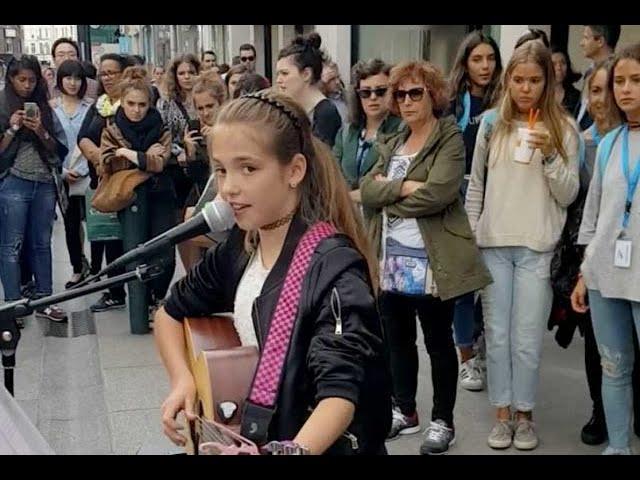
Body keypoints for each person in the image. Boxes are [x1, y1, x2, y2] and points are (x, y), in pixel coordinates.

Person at [154, 89, 392, 455]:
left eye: (248, 168)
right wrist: (182, 380)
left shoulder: (335, 270)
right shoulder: (241, 245)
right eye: (221, 170)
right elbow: (169, 312)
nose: (229, 187)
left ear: (294, 170)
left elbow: (339, 396)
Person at [360, 60, 492, 455]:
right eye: (399, 94)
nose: (406, 101)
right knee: (397, 343)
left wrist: (392, 191)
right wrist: (405, 188)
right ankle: (406, 411)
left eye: (415, 92)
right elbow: (367, 189)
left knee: (437, 344)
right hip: (391, 263)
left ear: (432, 95)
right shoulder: (394, 139)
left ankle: (442, 420)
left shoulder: (448, 137)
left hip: (434, 264)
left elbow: (440, 193)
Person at [465, 41, 580, 451]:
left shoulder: (564, 128)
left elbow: (568, 194)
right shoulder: (491, 124)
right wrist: (474, 236)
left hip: (537, 246)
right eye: (518, 80)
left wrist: (550, 155)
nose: (525, 88)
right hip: (494, 243)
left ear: (547, 82)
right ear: (507, 80)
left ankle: (525, 415)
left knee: (528, 337)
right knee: (496, 335)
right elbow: (475, 184)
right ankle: (501, 413)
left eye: (534, 80)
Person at [549, 59, 640, 447]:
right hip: (605, 274)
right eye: (619, 81)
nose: (625, 89)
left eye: (636, 80)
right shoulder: (610, 143)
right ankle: (617, 446)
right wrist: (585, 273)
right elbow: (593, 216)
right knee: (613, 367)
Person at [447, 31, 503, 392]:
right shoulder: (452, 102)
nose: (485, 66)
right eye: (477, 59)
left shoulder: (507, 100)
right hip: (459, 194)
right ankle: (466, 357)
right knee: (464, 282)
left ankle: (479, 340)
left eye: (490, 59)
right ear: (465, 62)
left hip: (497, 195)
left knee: (491, 280)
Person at [100, 66, 174, 334]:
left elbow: (159, 162)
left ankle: (156, 299)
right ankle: (140, 313)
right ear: (122, 102)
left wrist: (127, 153)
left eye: (142, 104)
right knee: (134, 253)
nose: (137, 110)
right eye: (131, 104)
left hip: (161, 194)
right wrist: (140, 155)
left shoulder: (161, 126)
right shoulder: (112, 127)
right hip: (130, 197)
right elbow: (106, 162)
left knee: (165, 254)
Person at [0, 55, 68, 324]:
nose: (27, 85)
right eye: (21, 80)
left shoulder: (45, 109)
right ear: (11, 79)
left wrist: (40, 129)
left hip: (44, 184)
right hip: (13, 182)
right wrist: (12, 129)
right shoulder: (3, 106)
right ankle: (13, 304)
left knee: (42, 244)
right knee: (11, 245)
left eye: (32, 80)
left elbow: (58, 149)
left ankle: (45, 299)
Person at [77, 53, 128, 312]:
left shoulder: (133, 101)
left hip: (127, 180)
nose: (107, 78)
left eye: (113, 72)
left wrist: (109, 156)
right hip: (103, 181)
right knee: (109, 239)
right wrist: (96, 155)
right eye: (104, 73)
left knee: (131, 237)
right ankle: (115, 290)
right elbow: (83, 136)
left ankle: (147, 294)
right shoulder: (99, 105)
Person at [332, 58, 402, 203]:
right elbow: (332, 176)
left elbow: (392, 186)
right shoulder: (346, 132)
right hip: (347, 216)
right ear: (357, 95)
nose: (373, 97)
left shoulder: (403, 131)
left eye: (381, 91)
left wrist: (350, 197)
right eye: (365, 93)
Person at [50, 60, 93, 289]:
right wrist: (63, 171)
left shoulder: (91, 107)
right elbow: (49, 144)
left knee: (95, 223)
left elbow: (96, 139)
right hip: (64, 175)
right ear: (60, 80)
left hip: (89, 173)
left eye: (77, 78)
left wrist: (85, 168)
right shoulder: (51, 109)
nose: (73, 83)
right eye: (68, 78)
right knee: (71, 224)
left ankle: (97, 268)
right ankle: (78, 268)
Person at [276, 33, 342, 147]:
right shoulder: (292, 110)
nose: (278, 80)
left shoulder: (325, 113)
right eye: (278, 74)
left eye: (285, 73)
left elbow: (318, 159)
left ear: (306, 74)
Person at [157, 54, 201, 213]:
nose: (187, 77)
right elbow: (162, 132)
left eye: (191, 72)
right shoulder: (167, 102)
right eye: (182, 73)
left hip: (201, 161)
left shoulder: (205, 98)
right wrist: (180, 151)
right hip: (177, 165)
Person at [577, 25, 621, 130]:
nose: (581, 43)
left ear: (600, 41)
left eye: (586, 38)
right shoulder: (589, 72)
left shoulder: (617, 73)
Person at [49, 37, 99, 102]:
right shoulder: (46, 89)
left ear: (78, 58)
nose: (67, 58)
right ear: (54, 59)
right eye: (61, 55)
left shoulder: (94, 86)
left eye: (72, 55)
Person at [551, 46, 582, 116]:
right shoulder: (539, 93)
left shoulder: (576, 97)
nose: (559, 67)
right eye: (553, 64)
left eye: (563, 63)